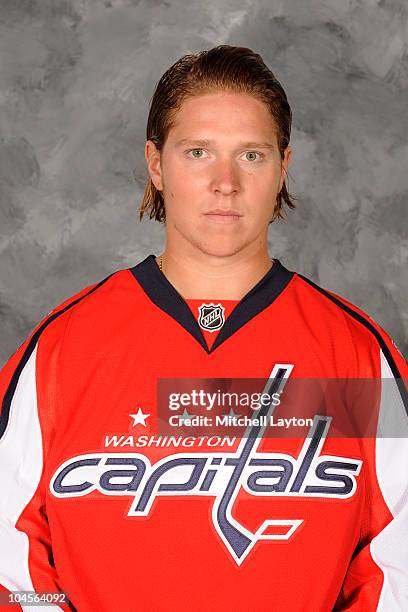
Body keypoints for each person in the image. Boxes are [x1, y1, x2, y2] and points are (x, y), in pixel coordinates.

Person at [0, 45, 407, 612]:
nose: (225, 182)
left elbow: (398, 557)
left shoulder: (353, 354)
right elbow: (9, 551)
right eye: (198, 152)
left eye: (251, 155)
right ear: (156, 164)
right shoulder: (63, 348)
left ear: (283, 167)